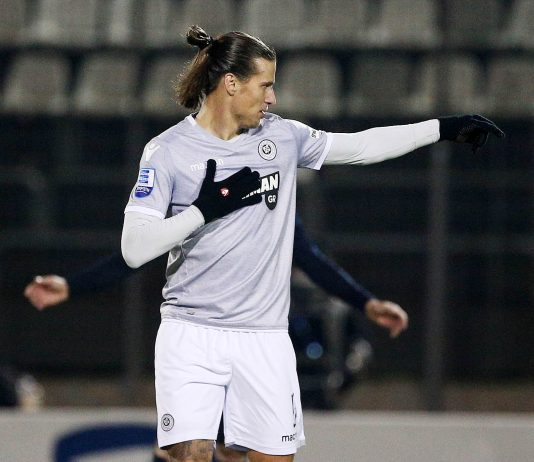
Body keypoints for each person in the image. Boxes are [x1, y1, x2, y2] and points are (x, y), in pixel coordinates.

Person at [116, 24, 504, 462]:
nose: (272, 98)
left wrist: (442, 128)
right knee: (191, 454)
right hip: (191, 332)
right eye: (265, 85)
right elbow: (134, 248)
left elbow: (360, 147)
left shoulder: (282, 138)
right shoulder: (167, 151)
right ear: (231, 83)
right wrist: (202, 211)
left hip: (264, 336)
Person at [24, 213, 400, 462]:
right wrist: (72, 285)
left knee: (229, 449)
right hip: (196, 344)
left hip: (250, 348)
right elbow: (134, 254)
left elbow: (312, 259)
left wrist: (366, 303)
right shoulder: (192, 193)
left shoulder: (274, 196)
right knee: (183, 448)